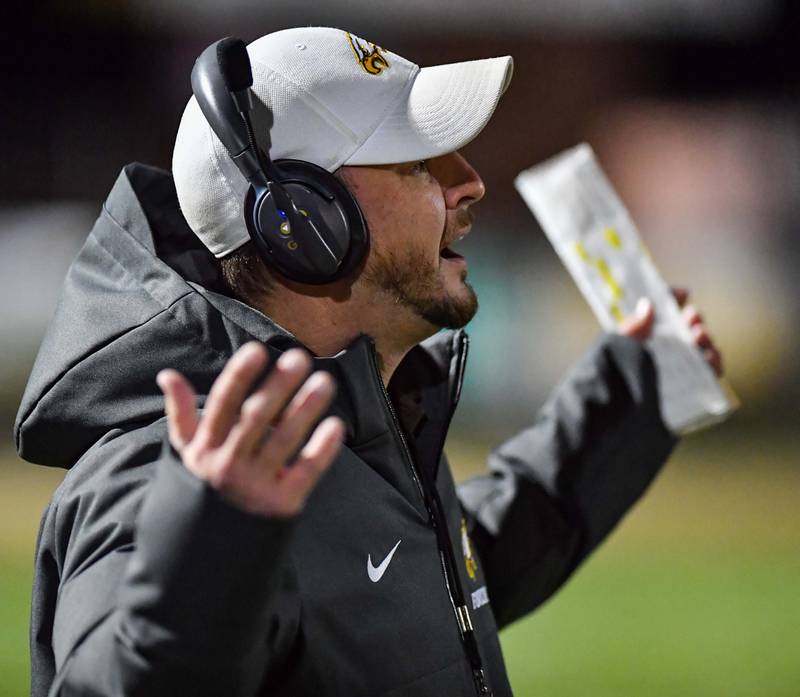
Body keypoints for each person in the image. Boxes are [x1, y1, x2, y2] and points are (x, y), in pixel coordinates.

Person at [15, 27, 723, 697]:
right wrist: (211, 552)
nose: (469, 182)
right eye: (418, 161)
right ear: (304, 221)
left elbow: (420, 596)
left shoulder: (368, 415)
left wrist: (631, 399)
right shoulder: (170, 475)